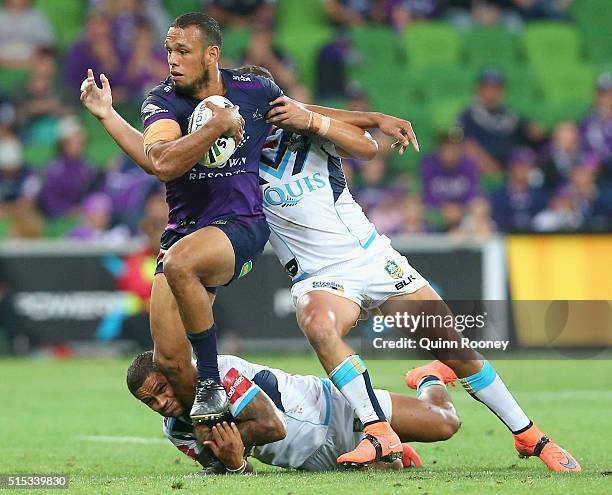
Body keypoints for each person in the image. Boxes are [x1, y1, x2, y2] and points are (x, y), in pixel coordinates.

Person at [81, 66, 581, 472]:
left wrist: (332, 119)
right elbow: (158, 157)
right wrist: (108, 115)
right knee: (318, 323)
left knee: (456, 348)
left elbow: (363, 147)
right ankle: (378, 432)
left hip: (371, 255)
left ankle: (528, 435)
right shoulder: (235, 166)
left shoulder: (305, 134)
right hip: (318, 278)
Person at [127, 351, 460, 472]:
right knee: (394, 471)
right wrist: (236, 464)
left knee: (446, 423)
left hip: (332, 405)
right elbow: (222, 466)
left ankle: (427, 377)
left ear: (173, 373)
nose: (161, 403)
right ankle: (389, 446)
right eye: (149, 402)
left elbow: (273, 427)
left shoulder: (218, 372)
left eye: (161, 390)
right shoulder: (176, 430)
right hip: (315, 462)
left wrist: (232, 442)